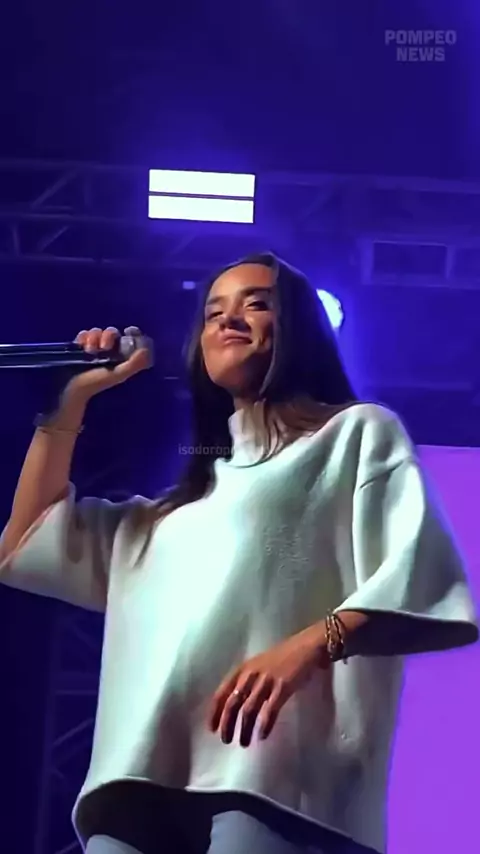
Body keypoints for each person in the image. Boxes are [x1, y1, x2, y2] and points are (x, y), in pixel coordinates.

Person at [0, 252, 477, 854]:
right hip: (132, 794)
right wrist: (67, 405)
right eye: (213, 312)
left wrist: (308, 645)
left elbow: (422, 577)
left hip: (275, 781)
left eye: (256, 303)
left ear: (298, 328)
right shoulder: (165, 518)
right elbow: (23, 543)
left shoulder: (354, 435)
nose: (229, 319)